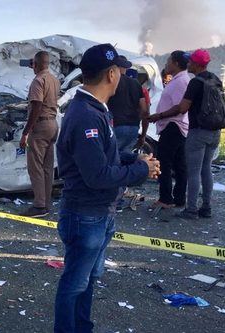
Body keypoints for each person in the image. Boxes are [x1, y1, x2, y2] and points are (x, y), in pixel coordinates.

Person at [53, 44, 160, 333]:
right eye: (122, 72)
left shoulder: (96, 109)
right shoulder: (87, 115)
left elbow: (104, 154)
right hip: (86, 214)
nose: (123, 76)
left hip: (99, 212)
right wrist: (140, 171)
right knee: (75, 284)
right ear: (112, 74)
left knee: (86, 280)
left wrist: (135, 160)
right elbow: (97, 175)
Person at [153, 49, 223, 219]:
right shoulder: (215, 79)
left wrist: (159, 115)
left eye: (191, 62)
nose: (188, 64)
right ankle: (206, 207)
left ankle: (191, 210)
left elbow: (182, 108)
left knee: (193, 171)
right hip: (215, 131)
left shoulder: (195, 82)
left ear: (197, 64)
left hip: (198, 131)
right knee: (206, 170)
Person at [19, 51, 60, 217]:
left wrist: (26, 132)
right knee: (47, 167)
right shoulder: (54, 79)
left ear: (35, 64)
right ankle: (46, 203)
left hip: (40, 126)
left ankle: (39, 206)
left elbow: (36, 106)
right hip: (53, 124)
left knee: (35, 167)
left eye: (33, 64)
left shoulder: (38, 81)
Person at [148, 51, 191, 209]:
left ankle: (166, 198)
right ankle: (179, 199)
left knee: (164, 163)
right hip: (177, 126)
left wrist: (159, 115)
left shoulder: (180, 82)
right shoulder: (180, 80)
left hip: (173, 125)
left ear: (177, 64)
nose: (166, 64)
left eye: (169, 61)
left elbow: (180, 107)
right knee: (180, 164)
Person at [107, 55, 149, 156]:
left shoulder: (111, 81)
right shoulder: (136, 84)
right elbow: (144, 110)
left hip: (116, 125)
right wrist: (143, 135)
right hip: (133, 128)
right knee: (125, 159)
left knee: (110, 158)